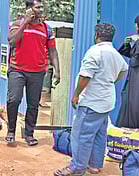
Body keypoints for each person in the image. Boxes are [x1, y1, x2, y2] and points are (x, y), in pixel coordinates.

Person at [54, 24, 128, 176]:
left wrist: (76, 95)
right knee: (100, 133)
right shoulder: (114, 53)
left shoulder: (95, 52)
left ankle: (76, 168)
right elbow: (123, 69)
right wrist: (111, 81)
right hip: (106, 101)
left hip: (92, 101)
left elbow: (85, 76)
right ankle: (94, 165)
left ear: (96, 35)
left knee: (81, 135)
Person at [5, 0, 61, 146]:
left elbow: (53, 51)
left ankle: (29, 134)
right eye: (38, 7)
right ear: (28, 9)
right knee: (13, 100)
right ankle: (11, 131)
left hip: (38, 72)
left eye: (42, 7)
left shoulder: (47, 29)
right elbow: (12, 41)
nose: (41, 10)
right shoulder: (17, 24)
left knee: (33, 104)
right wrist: (25, 23)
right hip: (17, 69)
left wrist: (57, 70)